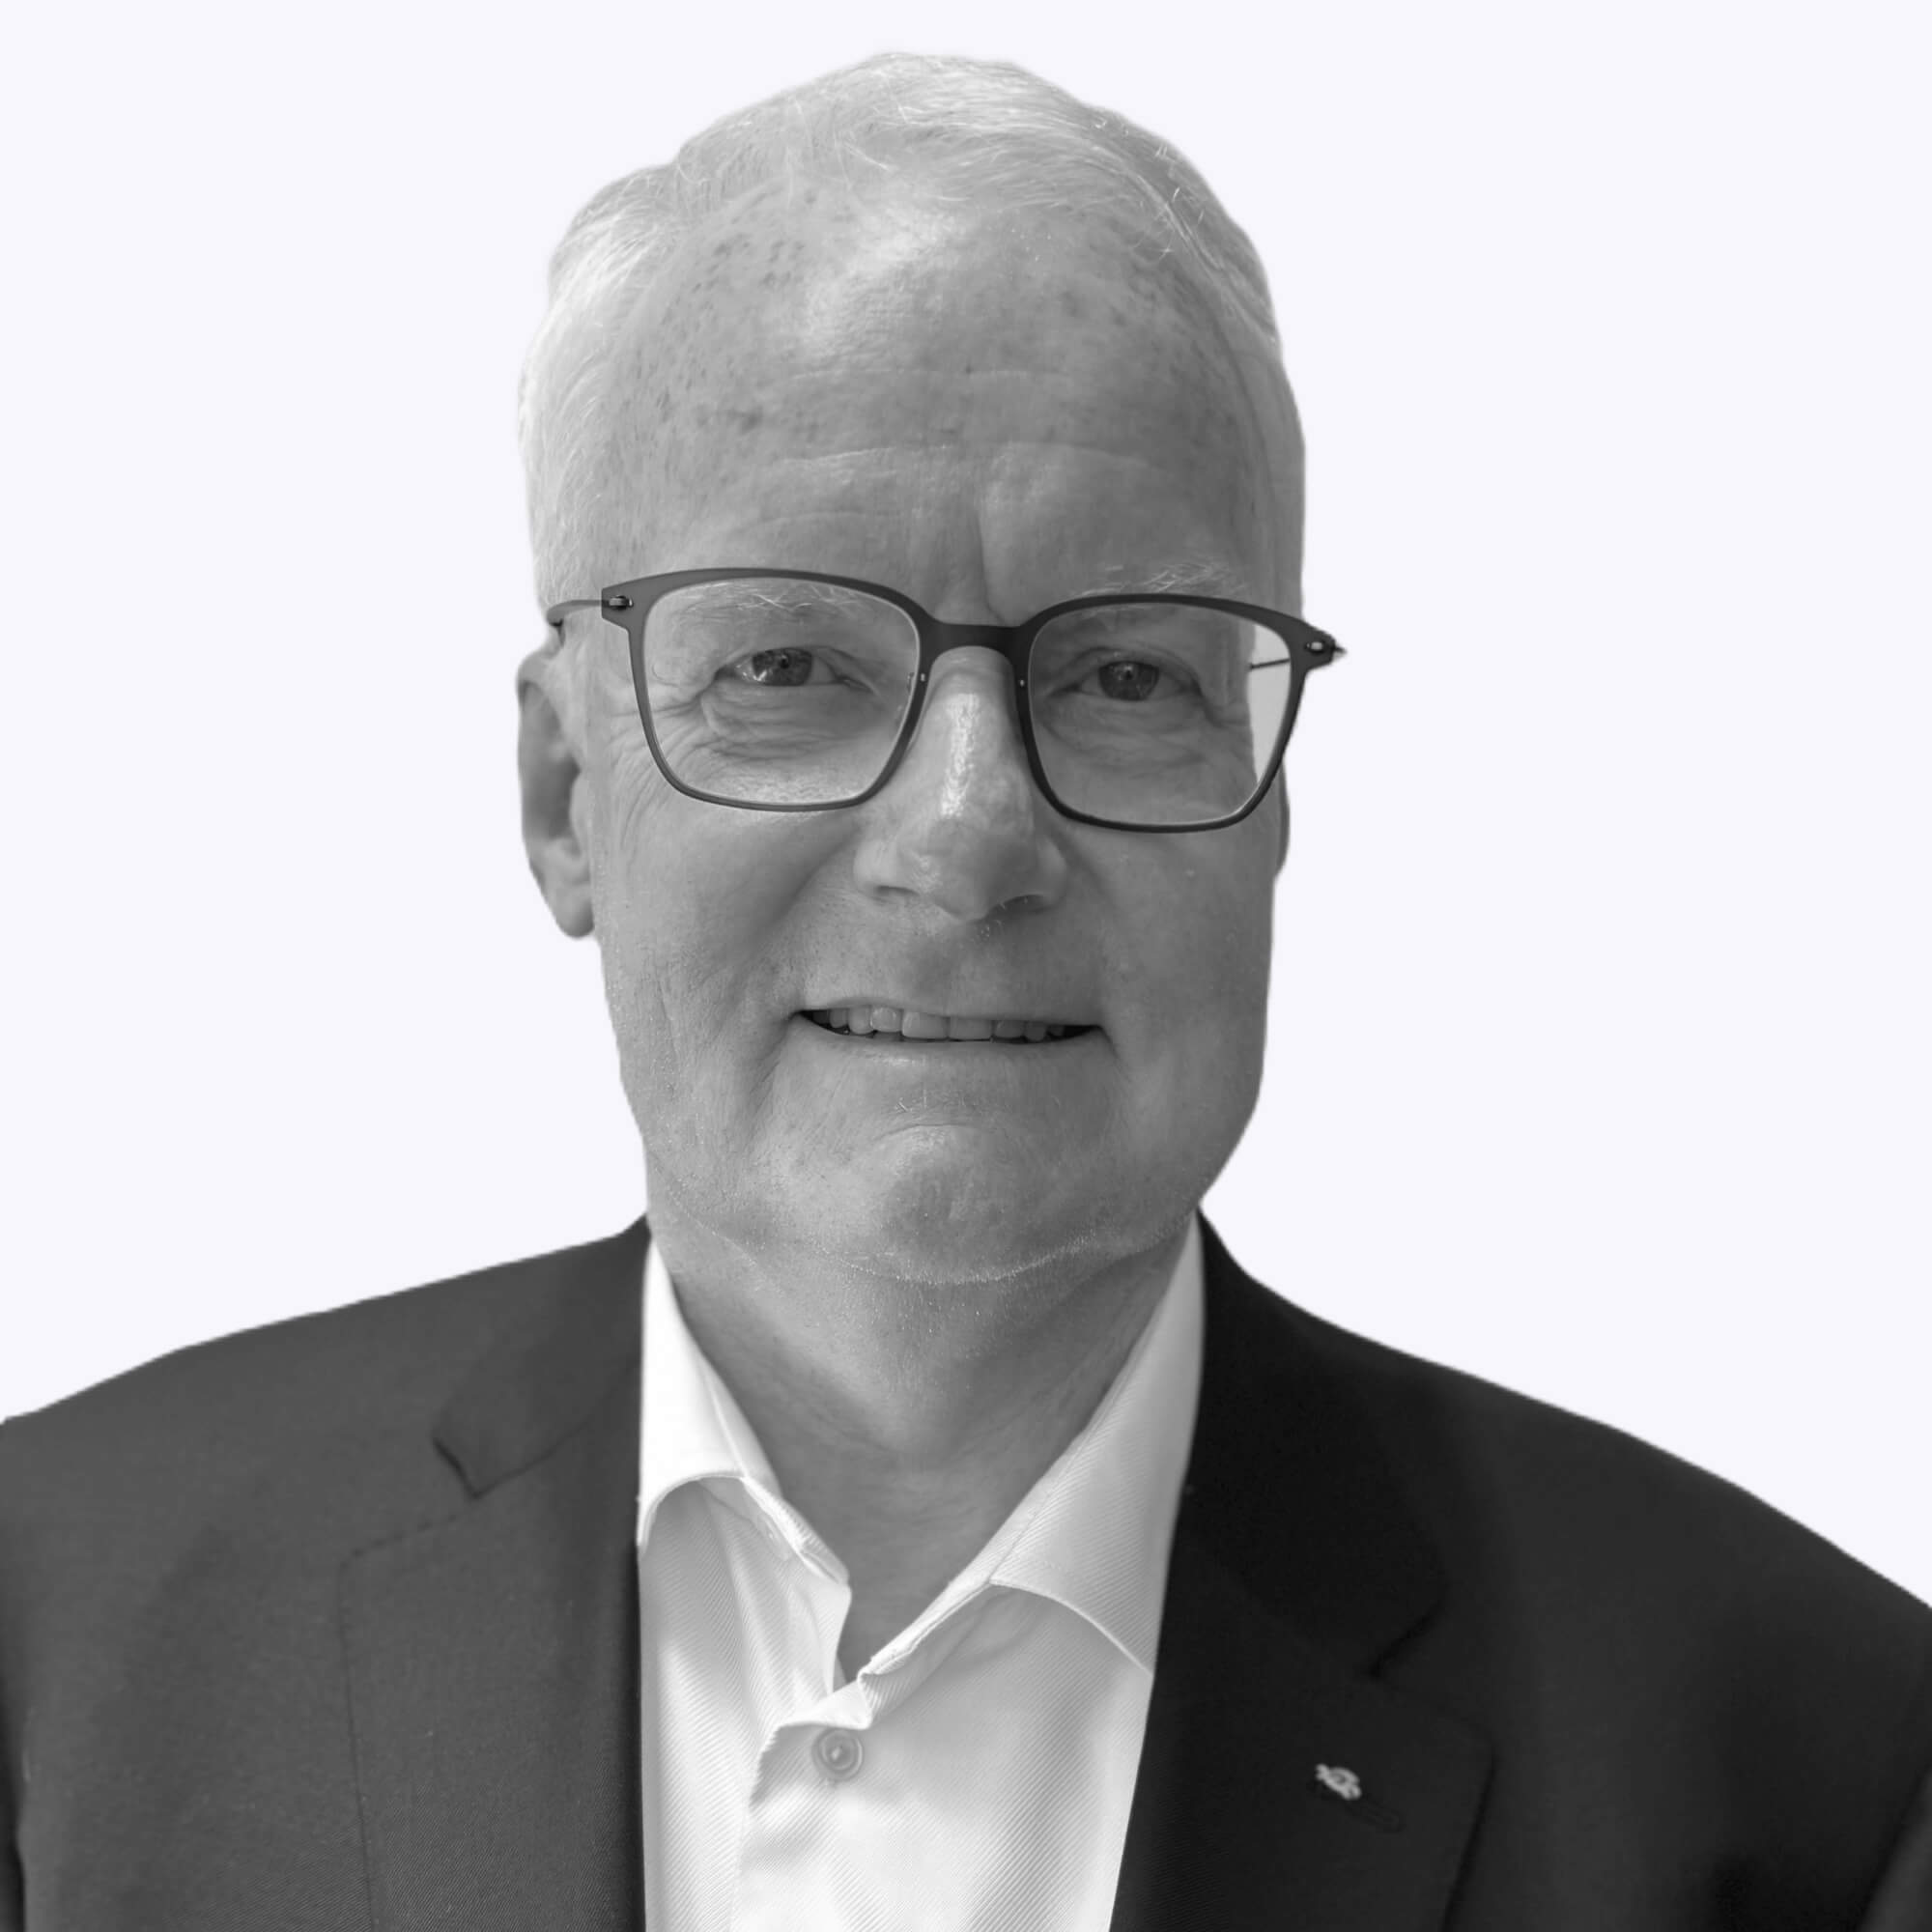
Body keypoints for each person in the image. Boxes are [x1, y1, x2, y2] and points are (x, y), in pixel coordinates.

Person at [1, 51, 1926, 1932]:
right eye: (785, 668)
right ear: (563, 793)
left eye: (1128, 675)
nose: (967, 830)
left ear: (1272, 798)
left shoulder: (1819, 1783)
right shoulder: (50, 1643)